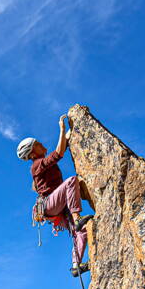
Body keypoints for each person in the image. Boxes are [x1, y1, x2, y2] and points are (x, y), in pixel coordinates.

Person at [16, 115, 92, 277]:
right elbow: (58, 154)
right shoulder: (36, 166)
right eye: (38, 144)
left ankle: (75, 265)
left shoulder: (40, 163)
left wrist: (72, 130)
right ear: (32, 153)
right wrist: (62, 128)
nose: (42, 144)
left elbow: (60, 149)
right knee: (72, 181)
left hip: (56, 205)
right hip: (50, 204)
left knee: (81, 231)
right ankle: (77, 217)